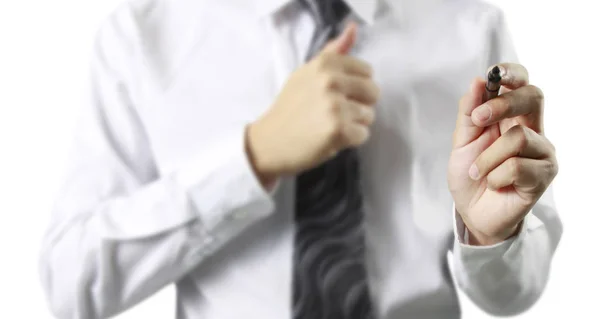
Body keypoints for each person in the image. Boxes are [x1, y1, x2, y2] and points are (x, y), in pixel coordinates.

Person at [38, 0, 563, 318]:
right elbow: (73, 282)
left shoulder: (470, 26)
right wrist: (254, 157)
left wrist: (492, 237)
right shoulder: (143, 36)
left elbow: (517, 294)